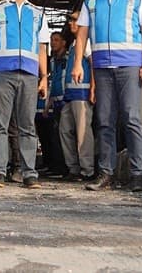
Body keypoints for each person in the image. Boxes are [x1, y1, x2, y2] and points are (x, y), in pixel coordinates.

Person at [71, 0, 142, 193]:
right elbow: (82, 33)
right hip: (101, 67)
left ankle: (138, 174)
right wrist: (78, 63)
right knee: (104, 120)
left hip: (129, 65)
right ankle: (105, 173)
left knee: (131, 118)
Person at [0, 0, 50, 189]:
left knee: (27, 124)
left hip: (29, 73)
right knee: (0, 123)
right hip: (2, 72)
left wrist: (44, 77)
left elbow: (41, 47)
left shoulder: (38, 13)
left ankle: (30, 173)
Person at [60, 28, 95, 182]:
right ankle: (73, 167)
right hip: (70, 94)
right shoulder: (74, 45)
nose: (71, 23)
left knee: (83, 133)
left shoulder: (86, 43)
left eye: (74, 20)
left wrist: (94, 88)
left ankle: (87, 169)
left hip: (82, 92)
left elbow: (93, 64)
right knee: (65, 130)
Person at [39, 31, 68, 177]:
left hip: (66, 100)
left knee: (64, 135)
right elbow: (53, 83)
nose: (53, 42)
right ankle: (54, 166)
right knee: (54, 136)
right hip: (55, 102)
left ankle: (64, 167)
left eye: (56, 40)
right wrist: (47, 105)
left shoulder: (69, 58)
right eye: (51, 40)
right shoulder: (52, 61)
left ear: (64, 42)